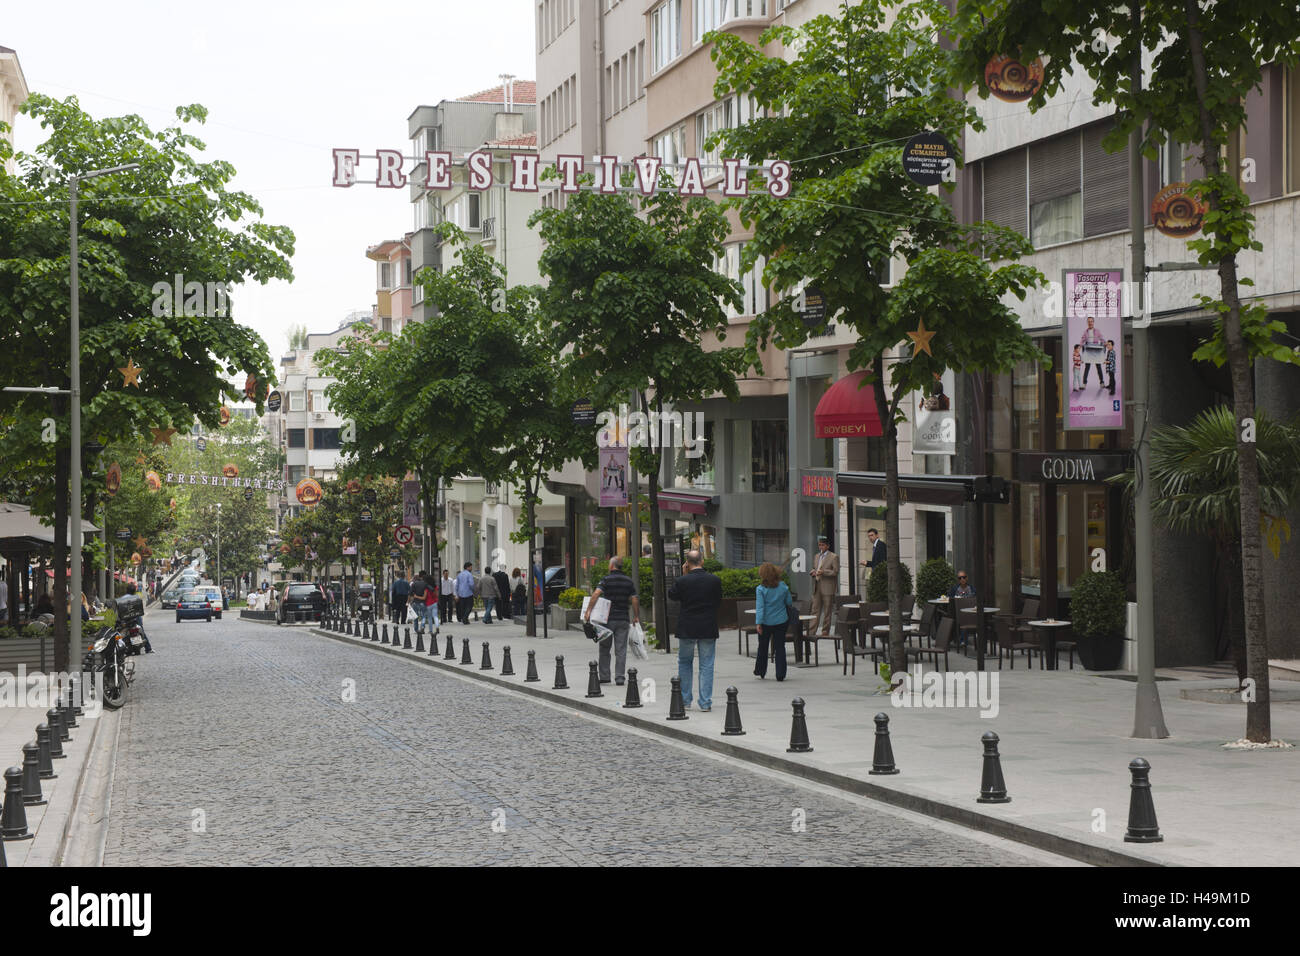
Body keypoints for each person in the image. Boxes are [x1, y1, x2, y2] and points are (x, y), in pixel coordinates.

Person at [669, 550, 722, 711]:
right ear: (702, 561)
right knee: (707, 664)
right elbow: (718, 600)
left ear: (687, 563)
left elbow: (672, 595)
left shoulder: (682, 580)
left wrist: (683, 574)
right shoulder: (714, 580)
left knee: (685, 662)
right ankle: (705, 702)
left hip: (687, 627)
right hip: (707, 626)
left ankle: (685, 701)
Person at [585, 556, 641, 686]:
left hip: (607, 620)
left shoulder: (606, 580)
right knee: (621, 650)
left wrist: (588, 610)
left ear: (611, 566)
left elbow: (596, 594)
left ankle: (604, 676)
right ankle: (620, 677)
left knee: (604, 648)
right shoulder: (628, 581)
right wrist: (636, 615)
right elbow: (634, 599)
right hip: (623, 619)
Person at [753, 562, 793, 681]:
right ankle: (780, 674)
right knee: (780, 646)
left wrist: (758, 623)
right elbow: (789, 602)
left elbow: (760, 608)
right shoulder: (783, 586)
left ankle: (761, 670)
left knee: (763, 646)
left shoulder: (760, 589)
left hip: (766, 622)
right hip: (781, 620)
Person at [809, 535, 838, 636]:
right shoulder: (816, 556)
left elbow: (835, 572)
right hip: (817, 586)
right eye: (819, 545)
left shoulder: (834, 556)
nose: (820, 547)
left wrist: (823, 572)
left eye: (822, 545)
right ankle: (811, 631)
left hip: (828, 587)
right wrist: (813, 571)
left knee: (827, 611)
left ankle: (825, 631)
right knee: (814, 610)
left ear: (827, 546)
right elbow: (815, 568)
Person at [858, 527, 887, 593]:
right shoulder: (876, 545)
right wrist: (867, 563)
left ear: (877, 535)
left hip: (880, 576)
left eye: (872, 535)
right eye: (869, 536)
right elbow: (876, 562)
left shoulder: (880, 545)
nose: (870, 537)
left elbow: (882, 562)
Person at [1079, 315, 1105, 387]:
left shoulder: (1097, 331)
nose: (1090, 323)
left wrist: (1105, 343)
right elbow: (1082, 340)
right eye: (1089, 321)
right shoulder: (1085, 332)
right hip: (1088, 350)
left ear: (1093, 322)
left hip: (1096, 350)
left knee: (1098, 366)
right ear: (1087, 323)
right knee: (1087, 367)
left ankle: (1102, 382)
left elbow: (1101, 338)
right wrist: (1080, 345)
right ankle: (1084, 383)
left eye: (1091, 321)